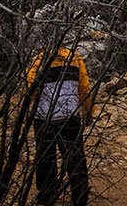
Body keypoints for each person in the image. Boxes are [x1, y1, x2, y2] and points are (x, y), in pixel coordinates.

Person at [27, 45, 92, 206]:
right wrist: (88, 112)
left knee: (46, 159)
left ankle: (47, 196)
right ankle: (80, 197)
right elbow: (84, 88)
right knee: (75, 158)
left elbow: (30, 87)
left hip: (44, 117)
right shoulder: (75, 58)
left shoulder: (38, 60)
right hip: (71, 116)